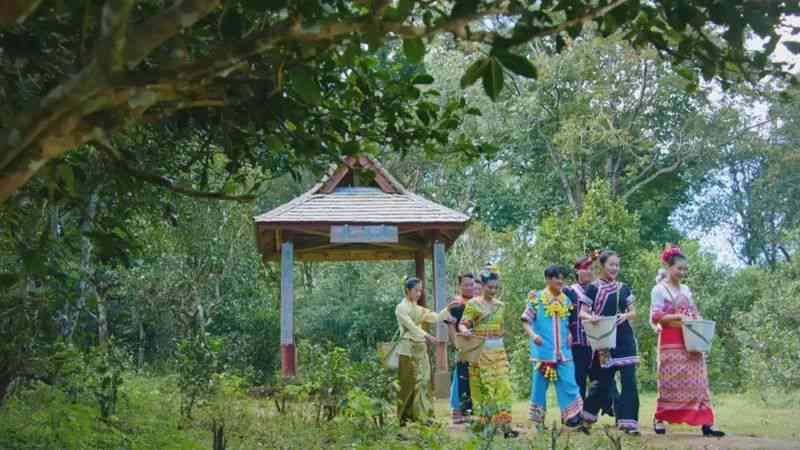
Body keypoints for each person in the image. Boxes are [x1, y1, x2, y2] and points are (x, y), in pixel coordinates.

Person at [650, 245, 725, 437]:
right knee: (670, 383)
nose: (682, 272)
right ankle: (659, 418)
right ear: (669, 267)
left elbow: (694, 310)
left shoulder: (686, 288)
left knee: (699, 381)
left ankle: (706, 423)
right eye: (679, 269)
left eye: (685, 269)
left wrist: (700, 328)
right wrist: (677, 317)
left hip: (691, 340)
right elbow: (656, 316)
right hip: (670, 341)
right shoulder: (659, 289)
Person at [580, 250, 641, 435]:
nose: (615, 268)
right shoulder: (593, 288)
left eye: (617, 265)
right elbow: (582, 312)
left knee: (629, 380)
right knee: (604, 381)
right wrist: (592, 318)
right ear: (602, 266)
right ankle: (587, 419)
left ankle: (629, 424)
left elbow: (633, 312)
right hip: (605, 339)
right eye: (611, 265)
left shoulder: (624, 288)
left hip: (625, 340)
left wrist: (625, 315)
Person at [521, 265, 584, 430]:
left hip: (563, 351)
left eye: (562, 278)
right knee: (540, 387)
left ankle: (573, 417)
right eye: (557, 278)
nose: (560, 281)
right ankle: (538, 423)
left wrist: (570, 333)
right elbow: (526, 322)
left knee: (569, 382)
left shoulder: (566, 300)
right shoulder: (536, 298)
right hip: (543, 353)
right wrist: (534, 336)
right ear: (548, 279)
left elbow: (566, 323)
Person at [458, 270, 518, 438]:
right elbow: (462, 324)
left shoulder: (501, 305)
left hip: (499, 352)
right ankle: (487, 427)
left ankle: (506, 427)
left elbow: (501, 328)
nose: (493, 291)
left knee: (504, 387)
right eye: (490, 287)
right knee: (485, 389)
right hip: (481, 352)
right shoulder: (473, 304)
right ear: (482, 286)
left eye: (496, 288)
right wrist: (465, 331)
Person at [567, 253, 618, 415]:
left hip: (599, 343)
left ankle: (616, 411)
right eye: (585, 268)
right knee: (579, 379)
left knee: (607, 377)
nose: (589, 272)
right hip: (578, 343)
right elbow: (563, 316)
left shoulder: (598, 288)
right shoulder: (569, 292)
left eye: (591, 269)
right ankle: (577, 414)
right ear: (577, 271)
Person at [395, 276, 447, 425]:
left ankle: (424, 417)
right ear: (407, 290)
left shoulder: (419, 309)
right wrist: (428, 336)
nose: (419, 293)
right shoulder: (401, 308)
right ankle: (403, 418)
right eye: (416, 290)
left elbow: (435, 317)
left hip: (420, 348)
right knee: (407, 384)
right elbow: (411, 326)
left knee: (424, 381)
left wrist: (447, 310)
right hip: (407, 349)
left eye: (420, 290)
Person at [445, 272, 476, 425]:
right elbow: (451, 326)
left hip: (476, 345)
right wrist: (456, 345)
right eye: (466, 285)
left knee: (473, 377)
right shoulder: (456, 304)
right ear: (460, 286)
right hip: (462, 345)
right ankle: (457, 411)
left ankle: (470, 410)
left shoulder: (477, 301)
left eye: (472, 284)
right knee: (460, 376)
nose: (470, 287)